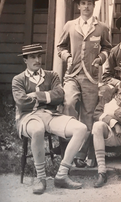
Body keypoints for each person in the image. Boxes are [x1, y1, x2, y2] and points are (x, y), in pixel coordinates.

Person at [12, 44, 88, 194]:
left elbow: (60, 95)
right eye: (33, 57)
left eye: (39, 56)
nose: (37, 59)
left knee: (81, 129)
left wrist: (37, 96)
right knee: (38, 130)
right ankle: (41, 178)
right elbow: (21, 101)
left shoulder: (51, 75)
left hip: (50, 115)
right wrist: (48, 97)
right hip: (28, 117)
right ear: (25, 60)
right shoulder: (18, 79)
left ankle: (61, 175)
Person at [57, 0, 112, 167]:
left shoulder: (101, 27)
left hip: (91, 76)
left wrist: (101, 59)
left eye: (89, 3)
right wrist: (67, 57)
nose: (86, 6)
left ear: (93, 5)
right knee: (69, 103)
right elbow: (61, 47)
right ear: (78, 6)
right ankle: (67, 149)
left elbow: (107, 48)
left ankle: (82, 154)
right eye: (83, 3)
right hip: (72, 75)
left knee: (88, 114)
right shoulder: (70, 26)